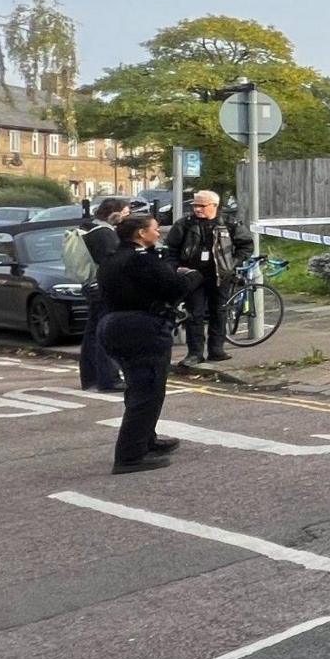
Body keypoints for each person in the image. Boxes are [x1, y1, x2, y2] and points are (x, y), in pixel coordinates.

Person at [96, 212, 200, 473]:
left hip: (113, 325)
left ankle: (146, 441)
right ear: (141, 234)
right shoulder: (140, 260)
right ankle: (130, 457)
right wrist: (190, 276)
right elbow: (174, 288)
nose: (158, 233)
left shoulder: (112, 258)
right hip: (142, 328)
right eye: (155, 229)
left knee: (139, 388)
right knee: (147, 392)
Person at [164, 190, 250, 365]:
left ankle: (216, 350)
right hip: (192, 275)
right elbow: (170, 249)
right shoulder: (184, 224)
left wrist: (233, 263)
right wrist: (177, 268)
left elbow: (246, 245)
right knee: (194, 314)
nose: (197, 209)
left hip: (220, 275)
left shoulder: (229, 223)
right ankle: (194, 353)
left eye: (201, 205)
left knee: (219, 311)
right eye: (194, 205)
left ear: (214, 206)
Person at [70, 196, 132, 393]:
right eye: (126, 213)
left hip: (92, 286)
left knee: (92, 334)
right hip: (102, 288)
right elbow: (112, 263)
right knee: (106, 334)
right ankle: (109, 379)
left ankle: (90, 378)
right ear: (115, 213)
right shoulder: (104, 233)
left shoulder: (91, 228)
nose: (128, 217)